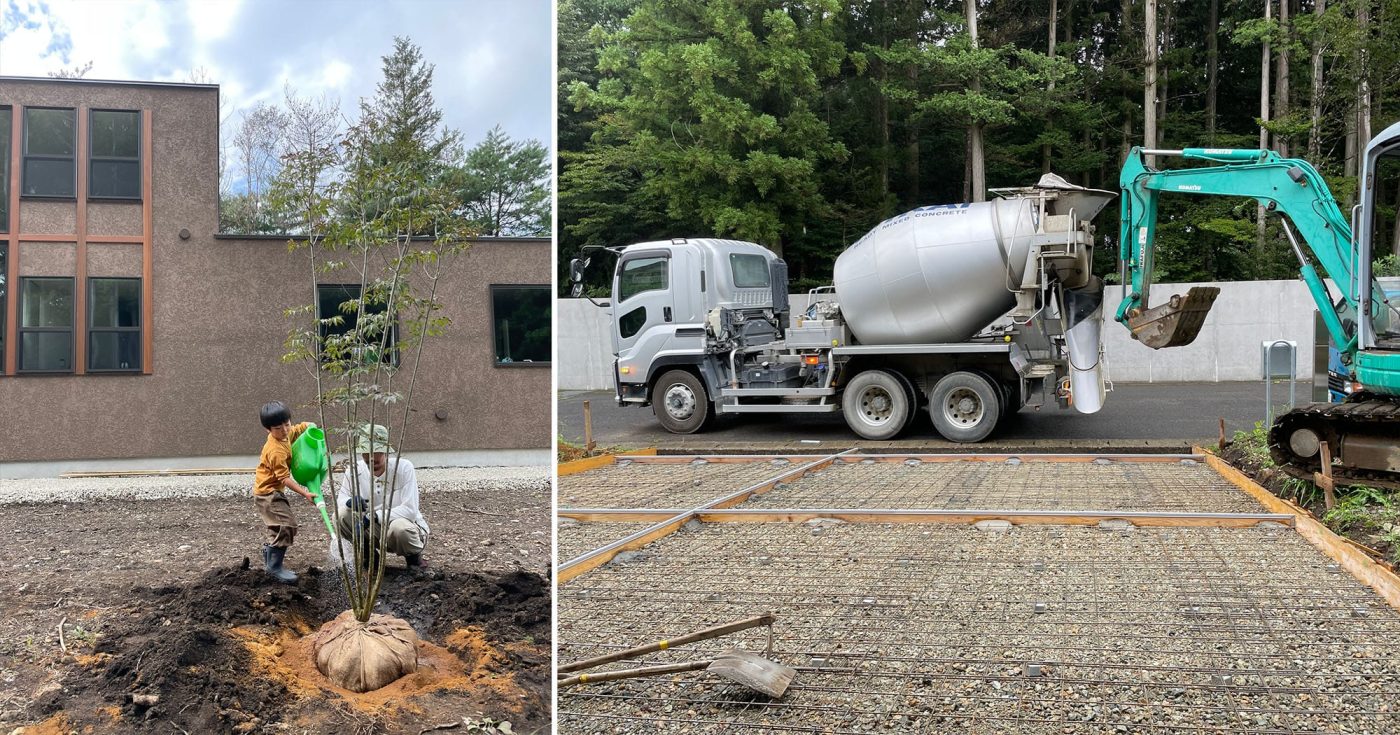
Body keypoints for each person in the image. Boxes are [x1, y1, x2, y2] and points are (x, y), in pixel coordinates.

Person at [335, 423, 429, 571]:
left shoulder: (403, 468)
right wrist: (349, 501)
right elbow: (341, 500)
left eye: (377, 452)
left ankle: (414, 561)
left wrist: (374, 516)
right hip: (373, 531)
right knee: (340, 515)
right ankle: (369, 557)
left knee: (400, 528)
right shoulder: (354, 470)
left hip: (404, 531)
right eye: (367, 453)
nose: (372, 458)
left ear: (386, 452)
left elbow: (410, 510)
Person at [253, 401, 317, 584]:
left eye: (286, 424)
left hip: (272, 491)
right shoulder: (275, 450)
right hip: (267, 493)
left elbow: (299, 429)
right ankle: (274, 567)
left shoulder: (287, 433)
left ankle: (270, 553)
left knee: (278, 525)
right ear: (268, 430)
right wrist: (304, 493)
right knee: (287, 525)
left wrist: (310, 427)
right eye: (278, 428)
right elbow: (284, 478)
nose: (285, 430)